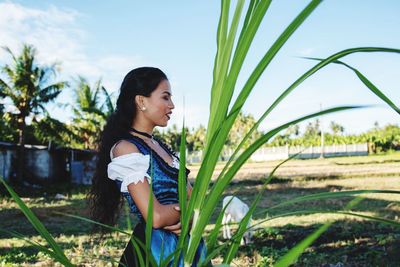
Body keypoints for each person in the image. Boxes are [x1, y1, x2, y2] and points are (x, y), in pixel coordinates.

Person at [87, 67, 207, 266]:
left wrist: (190, 216)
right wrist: (188, 214)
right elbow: (156, 216)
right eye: (165, 97)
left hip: (189, 246)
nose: (172, 105)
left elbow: (193, 199)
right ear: (141, 101)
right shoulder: (126, 149)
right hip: (156, 250)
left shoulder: (163, 148)